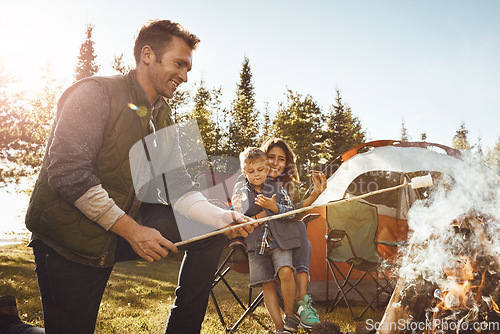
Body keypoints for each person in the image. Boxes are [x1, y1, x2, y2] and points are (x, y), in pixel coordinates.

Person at [1, 19, 255, 334]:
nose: (185, 77)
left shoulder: (163, 118)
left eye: (188, 68)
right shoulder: (94, 93)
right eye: (179, 64)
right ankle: (8, 324)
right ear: (148, 55)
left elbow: (180, 188)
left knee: (208, 231)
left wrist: (221, 217)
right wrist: (133, 232)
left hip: (118, 226)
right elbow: (68, 173)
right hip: (67, 239)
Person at [232, 147, 301, 334]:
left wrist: (275, 207)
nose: (256, 175)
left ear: (267, 169)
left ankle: (290, 316)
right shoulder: (241, 192)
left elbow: (291, 212)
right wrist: (236, 209)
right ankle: (280, 328)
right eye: (251, 171)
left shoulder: (276, 188)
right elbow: (236, 216)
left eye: (261, 170)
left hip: (280, 241)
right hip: (256, 245)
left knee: (286, 271)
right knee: (267, 283)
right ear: (244, 172)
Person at [261, 138, 327, 330]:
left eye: (281, 159)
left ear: (286, 165)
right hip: (266, 244)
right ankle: (301, 300)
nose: (275, 162)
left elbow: (292, 212)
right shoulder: (255, 181)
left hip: (285, 242)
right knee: (299, 227)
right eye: (270, 157)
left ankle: (302, 300)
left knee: (299, 227)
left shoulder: (281, 187)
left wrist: (316, 194)